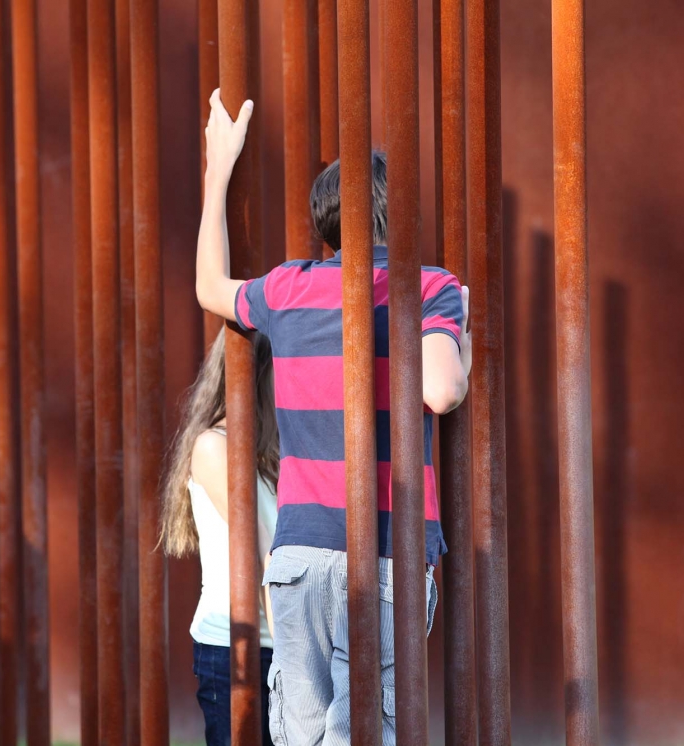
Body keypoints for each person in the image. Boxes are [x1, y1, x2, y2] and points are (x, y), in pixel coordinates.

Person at [196, 89, 471, 745]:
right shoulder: (429, 286)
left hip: (295, 558)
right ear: (396, 219)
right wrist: (457, 329)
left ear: (323, 226)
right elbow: (441, 390)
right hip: (382, 557)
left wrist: (219, 169)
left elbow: (211, 287)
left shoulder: (289, 287)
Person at [159, 327, 280, 746]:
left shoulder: (279, 449)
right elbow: (265, 552)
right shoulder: (214, 445)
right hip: (239, 648)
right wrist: (293, 658)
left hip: (285, 641)